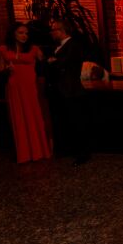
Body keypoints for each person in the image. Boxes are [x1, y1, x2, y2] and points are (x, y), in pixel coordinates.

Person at [0, 22, 52, 163]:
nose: (24, 36)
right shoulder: (2, 49)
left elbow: (46, 64)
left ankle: (40, 151)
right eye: (21, 33)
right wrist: (6, 69)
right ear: (13, 34)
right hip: (14, 87)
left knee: (34, 116)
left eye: (26, 33)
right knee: (19, 118)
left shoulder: (34, 49)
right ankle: (25, 154)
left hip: (30, 87)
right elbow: (0, 69)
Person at [46, 18, 90, 166]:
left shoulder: (73, 45)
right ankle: (68, 149)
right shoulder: (58, 46)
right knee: (65, 121)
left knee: (77, 122)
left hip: (71, 90)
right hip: (60, 89)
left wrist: (53, 62)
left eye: (53, 30)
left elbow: (64, 64)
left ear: (62, 31)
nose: (51, 33)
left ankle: (82, 153)